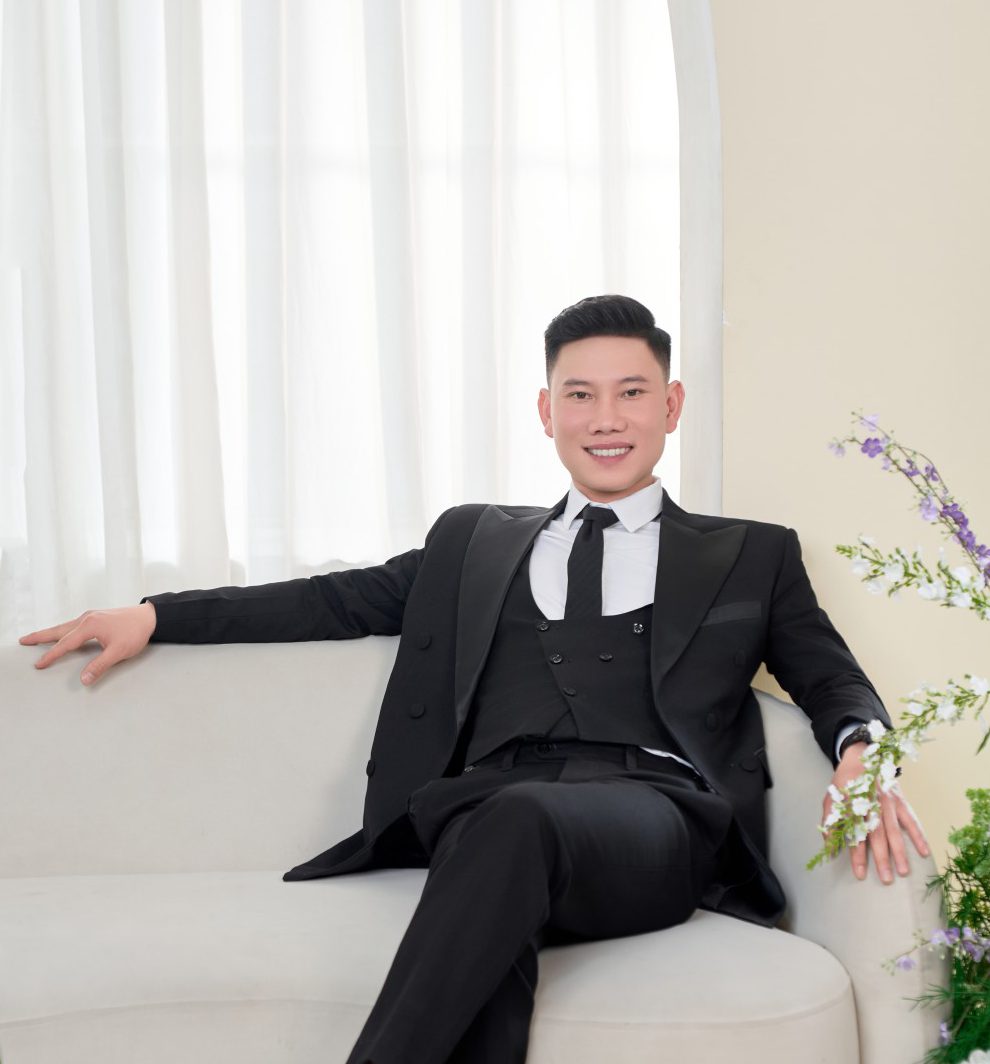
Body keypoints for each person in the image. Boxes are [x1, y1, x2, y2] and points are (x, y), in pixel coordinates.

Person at [21, 294, 929, 1063]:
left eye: (631, 393)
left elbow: (831, 677)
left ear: (671, 404)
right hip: (487, 808)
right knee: (501, 855)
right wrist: (156, 615)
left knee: (511, 831)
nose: (605, 418)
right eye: (579, 395)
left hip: (655, 819)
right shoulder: (473, 540)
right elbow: (331, 601)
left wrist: (861, 753)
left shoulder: (751, 555)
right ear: (545, 411)